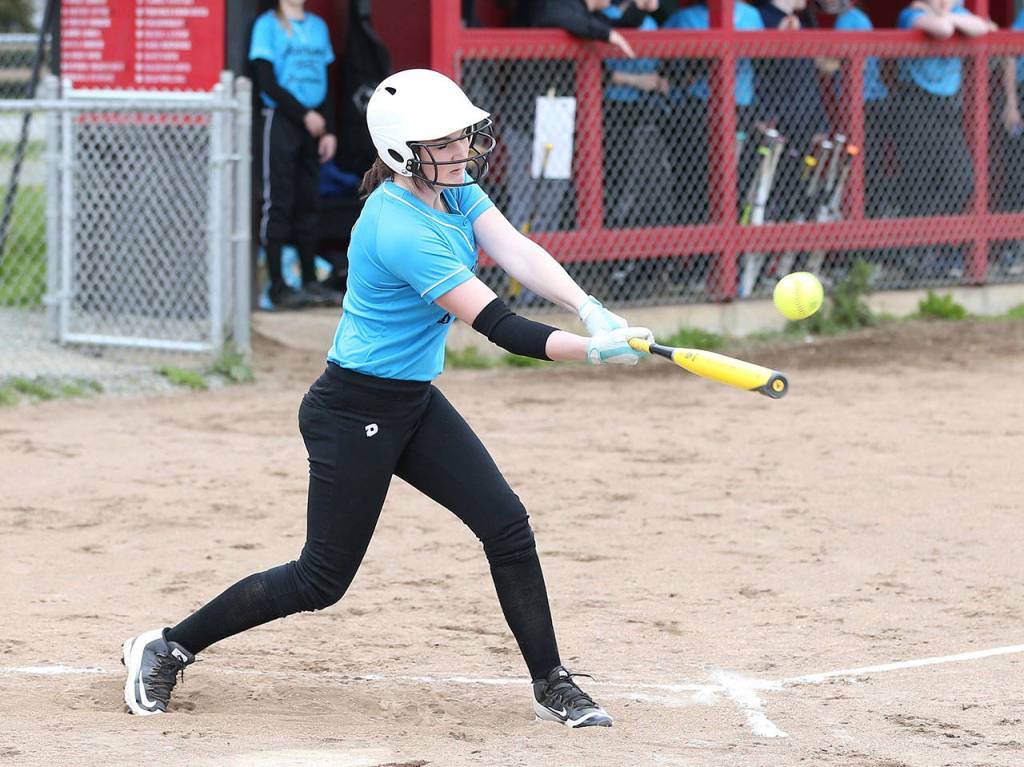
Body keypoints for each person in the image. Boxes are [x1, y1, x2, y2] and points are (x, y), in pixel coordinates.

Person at [121, 68, 655, 729]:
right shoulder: (398, 228)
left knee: (505, 524)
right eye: (445, 141)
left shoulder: (452, 191)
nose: (462, 149)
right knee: (321, 579)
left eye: (463, 135)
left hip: (409, 401)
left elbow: (515, 249)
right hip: (353, 409)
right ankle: (167, 644)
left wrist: (589, 307)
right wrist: (591, 350)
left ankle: (553, 681)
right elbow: (502, 327)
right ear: (405, 152)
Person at [250, 0, 343, 309]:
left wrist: (327, 127)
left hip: (314, 125)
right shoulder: (267, 25)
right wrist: (303, 115)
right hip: (282, 120)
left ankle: (308, 281)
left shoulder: (318, 26)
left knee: (309, 203)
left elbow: (327, 83)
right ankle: (277, 285)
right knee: (278, 202)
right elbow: (266, 81)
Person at [894, 0, 991, 280]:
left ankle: (932, 243)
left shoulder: (955, 11)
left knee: (962, 180)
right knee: (919, 182)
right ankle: (915, 255)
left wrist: (951, 14)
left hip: (947, 107)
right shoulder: (910, 13)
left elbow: (980, 27)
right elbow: (942, 30)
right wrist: (945, 15)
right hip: (915, 105)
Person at [815, 0, 891, 218]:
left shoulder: (852, 20)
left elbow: (856, 62)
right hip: (863, 102)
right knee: (864, 160)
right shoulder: (849, 19)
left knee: (864, 163)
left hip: (866, 102)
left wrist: (814, 57)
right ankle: (868, 212)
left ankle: (869, 215)